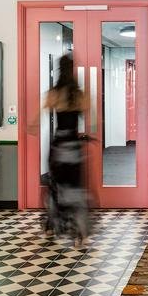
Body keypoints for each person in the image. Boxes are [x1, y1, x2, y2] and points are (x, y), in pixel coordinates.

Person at [43, 54, 91, 247]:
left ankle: (51, 226)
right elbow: (92, 119)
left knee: (56, 187)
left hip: (58, 146)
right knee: (75, 188)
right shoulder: (79, 94)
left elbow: (34, 121)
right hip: (73, 147)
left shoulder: (53, 93)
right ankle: (80, 233)